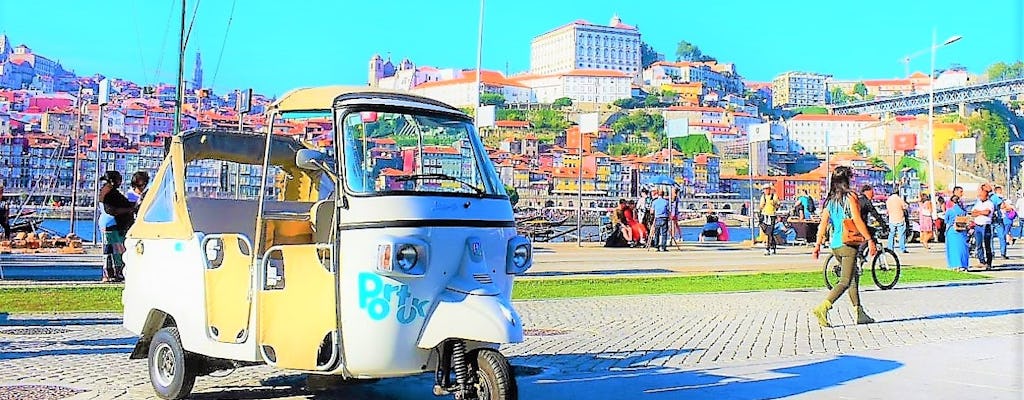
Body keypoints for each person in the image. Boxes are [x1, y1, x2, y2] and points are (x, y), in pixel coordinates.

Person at [812, 166, 877, 327]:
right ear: (846, 179)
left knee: (853, 276)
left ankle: (859, 312)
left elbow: (823, 224)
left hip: (835, 245)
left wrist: (818, 244)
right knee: (845, 280)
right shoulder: (851, 196)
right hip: (848, 244)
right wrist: (869, 239)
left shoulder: (830, 200)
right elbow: (857, 220)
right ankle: (823, 307)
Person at [98, 171, 135, 282]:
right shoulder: (109, 193)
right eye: (119, 180)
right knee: (115, 251)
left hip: (107, 223)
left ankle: (109, 274)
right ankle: (113, 274)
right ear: (113, 181)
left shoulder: (106, 191)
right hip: (112, 223)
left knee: (110, 250)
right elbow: (112, 210)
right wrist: (130, 209)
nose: (121, 182)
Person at [858, 185, 888, 261]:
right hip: (860, 225)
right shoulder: (866, 201)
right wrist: (883, 225)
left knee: (869, 231)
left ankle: (859, 255)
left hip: (855, 224)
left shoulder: (858, 199)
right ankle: (860, 253)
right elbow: (875, 214)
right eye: (872, 192)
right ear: (867, 192)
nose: (873, 195)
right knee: (870, 234)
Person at [944, 195, 970, 272]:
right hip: (963, 230)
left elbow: (946, 221)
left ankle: (955, 265)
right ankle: (964, 265)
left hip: (952, 231)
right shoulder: (963, 211)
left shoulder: (950, 211)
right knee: (963, 248)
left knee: (953, 249)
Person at [971, 188, 995, 270]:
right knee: (978, 244)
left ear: (986, 196)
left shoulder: (990, 203)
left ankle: (989, 263)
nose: (980, 197)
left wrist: (979, 212)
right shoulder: (978, 203)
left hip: (986, 225)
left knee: (987, 245)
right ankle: (981, 261)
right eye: (980, 195)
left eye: (982, 195)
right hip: (977, 225)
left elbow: (987, 212)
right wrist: (980, 212)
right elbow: (973, 213)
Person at [886, 189, 909, 253]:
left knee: (891, 234)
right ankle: (902, 248)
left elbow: (887, 209)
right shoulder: (899, 199)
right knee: (901, 234)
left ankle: (890, 248)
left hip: (891, 219)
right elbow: (905, 207)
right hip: (900, 218)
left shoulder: (888, 200)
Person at [759, 185, 780, 255]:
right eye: (764, 189)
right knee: (767, 232)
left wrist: (774, 204)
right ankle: (773, 246)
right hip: (764, 215)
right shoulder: (763, 197)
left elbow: (778, 205)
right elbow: (761, 206)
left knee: (769, 232)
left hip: (771, 215)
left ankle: (768, 248)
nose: (765, 191)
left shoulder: (774, 196)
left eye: (766, 189)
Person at [990, 185, 1009, 259]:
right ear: (997, 191)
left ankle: (991, 253)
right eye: (1001, 191)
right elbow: (1003, 206)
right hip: (997, 219)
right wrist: (1003, 200)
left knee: (990, 237)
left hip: (990, 219)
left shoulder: (990, 198)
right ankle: (1003, 253)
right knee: (1001, 236)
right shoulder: (997, 198)